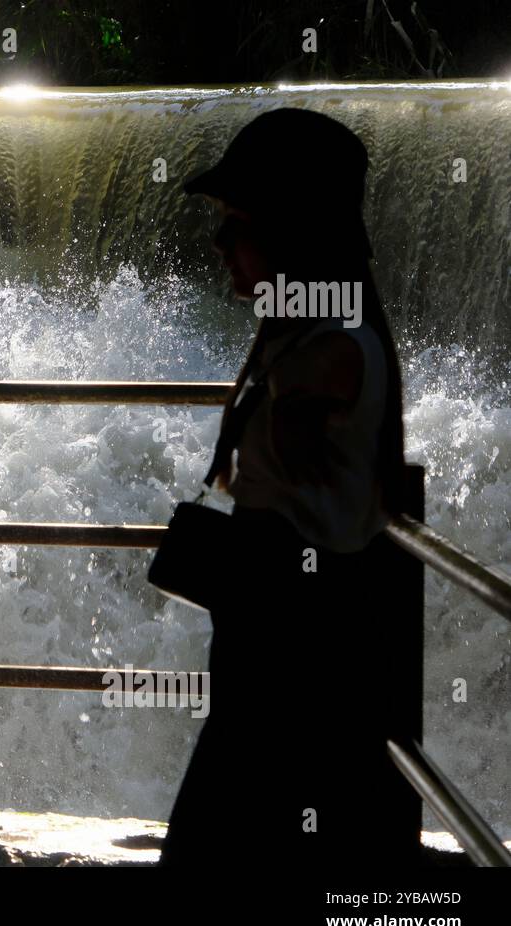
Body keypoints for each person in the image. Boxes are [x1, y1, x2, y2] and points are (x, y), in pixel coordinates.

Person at [158, 108, 419, 867]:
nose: (219, 249)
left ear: (292, 232)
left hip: (296, 631)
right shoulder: (309, 334)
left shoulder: (328, 351)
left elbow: (279, 484)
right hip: (286, 624)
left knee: (230, 826)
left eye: (237, 226)